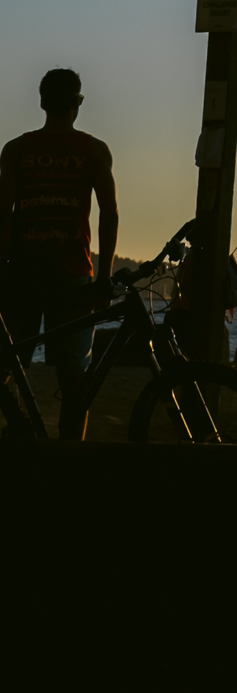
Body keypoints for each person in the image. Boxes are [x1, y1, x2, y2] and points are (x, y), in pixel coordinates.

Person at [0, 69, 118, 439]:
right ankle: (70, 456)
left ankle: (20, 433)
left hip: (21, 272)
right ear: (75, 105)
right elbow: (109, 213)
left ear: (41, 103)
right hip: (72, 273)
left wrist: (3, 265)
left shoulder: (16, 149)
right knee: (73, 376)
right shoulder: (94, 149)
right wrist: (104, 277)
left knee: (8, 364)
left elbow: (4, 212)